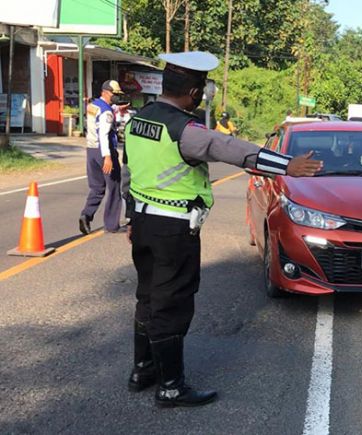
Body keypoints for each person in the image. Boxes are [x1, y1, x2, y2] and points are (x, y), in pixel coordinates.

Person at [122, 51, 323, 408]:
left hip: (142, 223)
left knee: (148, 296)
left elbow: (129, 172)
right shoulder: (184, 130)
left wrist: (129, 216)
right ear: (195, 92)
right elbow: (232, 149)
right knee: (171, 302)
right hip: (173, 229)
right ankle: (170, 387)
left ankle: (143, 369)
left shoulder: (138, 121)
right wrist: (286, 165)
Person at [79, 80, 124, 234]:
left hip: (91, 150)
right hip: (104, 151)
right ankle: (111, 225)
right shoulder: (107, 113)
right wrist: (107, 157)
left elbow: (99, 117)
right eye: (114, 94)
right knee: (114, 187)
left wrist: (117, 108)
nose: (116, 96)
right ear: (105, 92)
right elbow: (104, 134)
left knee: (97, 187)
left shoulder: (93, 105)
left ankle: (86, 214)